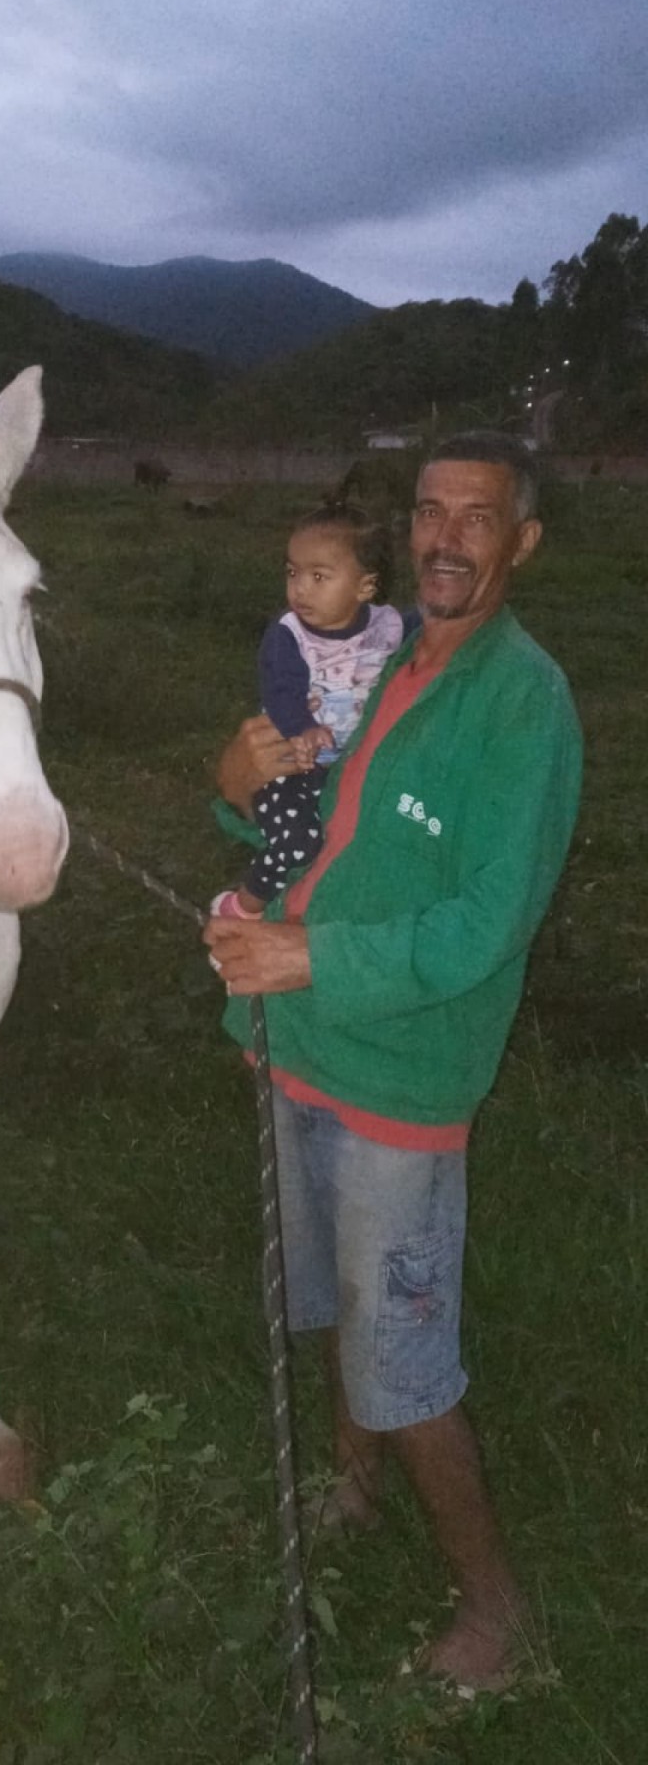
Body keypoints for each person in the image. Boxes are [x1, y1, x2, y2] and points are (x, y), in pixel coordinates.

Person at [205, 432, 582, 1691]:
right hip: (299, 1052)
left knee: (403, 1363)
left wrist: (310, 959)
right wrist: (232, 786)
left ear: (521, 543)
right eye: (430, 511)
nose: (446, 536)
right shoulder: (381, 661)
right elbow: (312, 835)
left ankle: (499, 1617)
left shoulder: (525, 703)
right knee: (322, 1301)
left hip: (400, 1084)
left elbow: (486, 924)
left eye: (477, 518)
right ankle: (352, 1488)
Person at [223, 497, 404, 914]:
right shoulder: (290, 636)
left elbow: (429, 630)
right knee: (298, 840)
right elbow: (281, 690)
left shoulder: (387, 626)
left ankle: (309, 917)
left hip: (345, 764)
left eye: (319, 576)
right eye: (293, 572)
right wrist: (301, 727)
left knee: (346, 844)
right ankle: (244, 905)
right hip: (291, 762)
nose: (300, 588)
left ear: (365, 587)